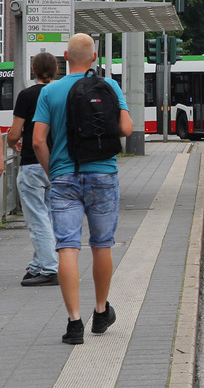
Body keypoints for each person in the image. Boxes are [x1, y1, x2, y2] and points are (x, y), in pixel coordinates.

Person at [32, 33, 133, 346]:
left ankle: (74, 323)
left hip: (64, 178)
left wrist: (54, 171)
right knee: (102, 245)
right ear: (94, 57)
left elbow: (37, 140)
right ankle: (101, 312)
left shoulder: (50, 91)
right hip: (103, 175)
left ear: (65, 56)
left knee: (67, 247)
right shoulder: (110, 86)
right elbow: (126, 129)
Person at [4, 52, 59, 287]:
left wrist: (12, 142)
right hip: (57, 164)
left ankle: (49, 268)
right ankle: (38, 265)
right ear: (56, 71)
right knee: (47, 216)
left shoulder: (27, 96)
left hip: (32, 164)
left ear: (33, 70)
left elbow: (14, 133)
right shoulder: (61, 93)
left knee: (37, 220)